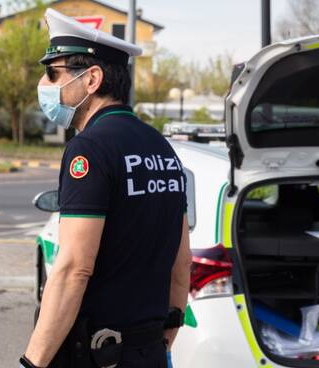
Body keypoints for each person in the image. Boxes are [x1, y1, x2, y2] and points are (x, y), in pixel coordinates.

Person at [19, 9, 192, 368]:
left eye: (55, 73)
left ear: (92, 78)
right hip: (148, 352)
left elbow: (73, 269)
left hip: (100, 355)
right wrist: (166, 334)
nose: (45, 83)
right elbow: (181, 259)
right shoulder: (162, 148)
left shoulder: (90, 150)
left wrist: (33, 362)